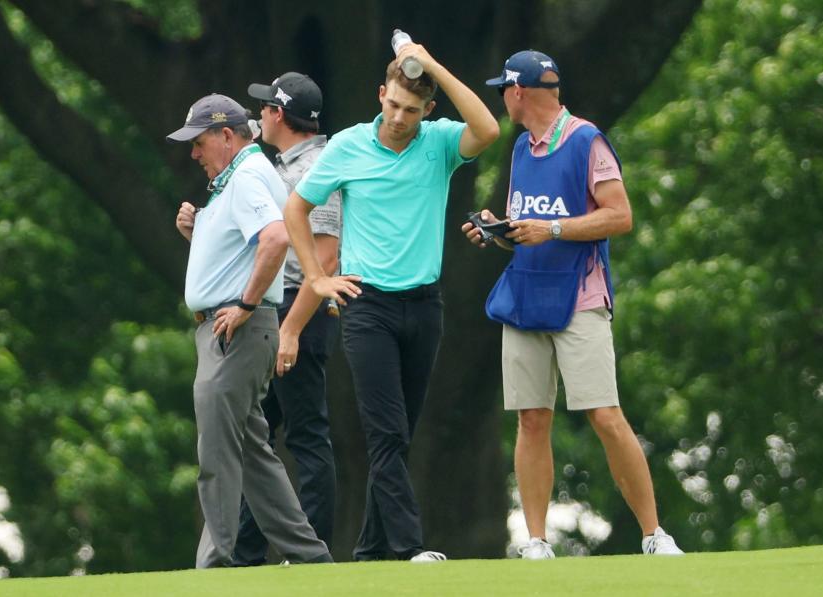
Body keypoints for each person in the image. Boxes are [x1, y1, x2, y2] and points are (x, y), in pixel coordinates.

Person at [283, 43, 500, 562]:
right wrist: (314, 277)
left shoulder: (440, 144)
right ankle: (407, 548)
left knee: (399, 437)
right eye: (393, 104)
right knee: (385, 432)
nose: (399, 118)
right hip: (367, 307)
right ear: (381, 95)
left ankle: (369, 552)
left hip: (425, 307)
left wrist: (433, 64)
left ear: (428, 110)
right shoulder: (349, 147)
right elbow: (297, 208)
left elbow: (488, 129)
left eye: (411, 109)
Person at [464, 50, 684, 559]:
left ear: (518, 92)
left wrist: (554, 228)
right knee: (531, 417)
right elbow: (529, 229)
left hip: (579, 296)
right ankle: (537, 542)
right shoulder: (521, 148)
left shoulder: (587, 140)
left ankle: (654, 534)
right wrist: (497, 231)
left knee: (604, 414)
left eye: (504, 89)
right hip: (524, 295)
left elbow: (619, 215)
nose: (502, 98)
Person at [168, 93, 332, 568]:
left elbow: (276, 237)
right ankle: (311, 558)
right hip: (229, 329)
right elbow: (239, 249)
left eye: (199, 143)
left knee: (217, 457)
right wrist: (196, 231)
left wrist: (245, 303)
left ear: (225, 135)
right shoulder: (235, 180)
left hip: (234, 329)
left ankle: (214, 568)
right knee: (254, 457)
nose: (194, 154)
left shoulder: (246, 175)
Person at [231, 73, 342, 564]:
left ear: (279, 115)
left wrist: (291, 329)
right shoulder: (279, 166)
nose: (258, 116)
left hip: (301, 310)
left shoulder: (319, 167)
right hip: (279, 308)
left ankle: (310, 553)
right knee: (258, 435)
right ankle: (245, 551)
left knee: (305, 434)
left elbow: (326, 257)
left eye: (264, 108)